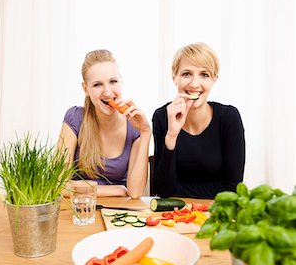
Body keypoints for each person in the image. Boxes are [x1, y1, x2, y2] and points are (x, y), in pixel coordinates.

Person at [152, 42, 245, 199]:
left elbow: (232, 188)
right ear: (174, 77)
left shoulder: (228, 118)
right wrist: (172, 136)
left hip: (216, 212)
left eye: (204, 75)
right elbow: (163, 190)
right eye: (186, 74)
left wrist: (178, 191)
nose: (194, 84)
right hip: (175, 215)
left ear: (214, 79)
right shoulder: (162, 116)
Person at [57, 49, 151, 198]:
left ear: (121, 82)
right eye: (97, 85)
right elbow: (59, 185)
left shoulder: (135, 125)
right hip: (79, 209)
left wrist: (146, 133)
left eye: (113, 81)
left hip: (116, 211)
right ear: (86, 89)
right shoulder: (75, 118)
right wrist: (117, 190)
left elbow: (135, 192)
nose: (107, 92)